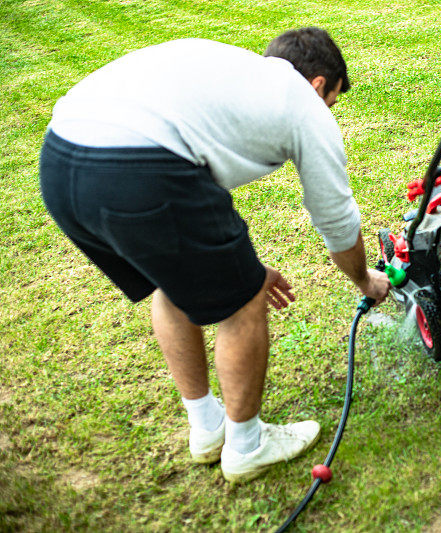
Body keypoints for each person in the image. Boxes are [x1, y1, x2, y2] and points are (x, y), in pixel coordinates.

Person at [39, 28, 391, 483]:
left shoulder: (229, 72)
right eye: (332, 102)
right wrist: (365, 281)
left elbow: (188, 222)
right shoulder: (303, 104)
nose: (328, 113)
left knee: (173, 283)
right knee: (244, 299)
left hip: (61, 160)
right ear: (319, 84)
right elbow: (337, 221)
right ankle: (248, 446)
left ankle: (207, 428)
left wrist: (242, 267)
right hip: (135, 168)